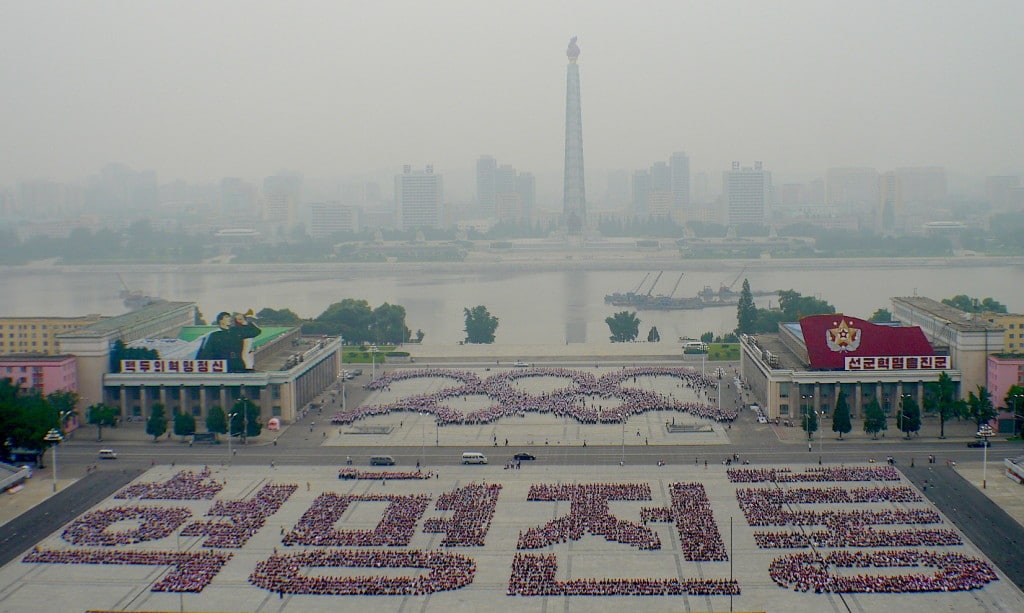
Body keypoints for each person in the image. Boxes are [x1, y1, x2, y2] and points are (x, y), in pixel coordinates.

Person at [196, 311, 261, 372]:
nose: (229, 318)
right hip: (222, 366)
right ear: (220, 320)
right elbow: (207, 353)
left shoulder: (236, 331)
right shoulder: (214, 335)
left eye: (229, 317)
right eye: (226, 317)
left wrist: (244, 322)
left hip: (237, 364)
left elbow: (256, 331)